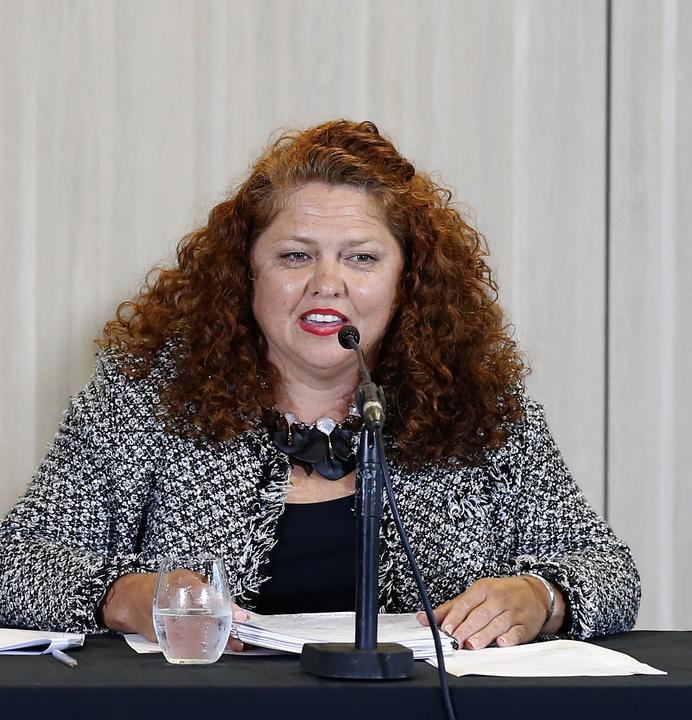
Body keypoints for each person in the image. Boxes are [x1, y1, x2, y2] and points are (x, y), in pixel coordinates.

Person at [0, 120, 639, 650]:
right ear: (243, 273)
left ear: (406, 281)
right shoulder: (144, 393)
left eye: (361, 257)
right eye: (295, 255)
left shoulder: (476, 404)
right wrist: (125, 597)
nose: (327, 283)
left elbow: (609, 573)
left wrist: (541, 599)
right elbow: (18, 567)